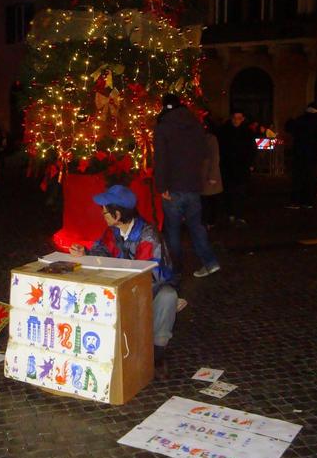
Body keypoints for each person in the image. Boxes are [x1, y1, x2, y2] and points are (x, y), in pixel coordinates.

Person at [69, 184, 178, 380]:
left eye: (105, 211)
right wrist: (84, 254)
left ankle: (158, 354)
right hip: (123, 286)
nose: (103, 213)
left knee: (168, 297)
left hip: (151, 288)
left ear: (117, 214)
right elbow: (102, 251)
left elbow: (147, 274)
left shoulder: (148, 235)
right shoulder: (113, 231)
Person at [154, 93, 220, 280]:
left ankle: (176, 269)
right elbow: (203, 153)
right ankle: (210, 262)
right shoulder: (195, 125)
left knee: (173, 230)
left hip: (173, 186)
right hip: (192, 184)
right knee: (196, 226)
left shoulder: (163, 127)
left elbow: (161, 159)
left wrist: (161, 185)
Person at [218, 108, 257, 225]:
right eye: (235, 118)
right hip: (227, 166)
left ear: (243, 119)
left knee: (241, 191)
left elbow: (252, 149)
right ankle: (230, 213)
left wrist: (251, 163)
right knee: (229, 191)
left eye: (239, 118)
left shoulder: (247, 132)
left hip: (242, 167)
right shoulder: (224, 130)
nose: (236, 121)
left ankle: (239, 214)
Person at [285, 101, 317, 209]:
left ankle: (296, 201)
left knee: (298, 178)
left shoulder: (300, 119)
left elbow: (289, 128)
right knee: (311, 177)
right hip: (314, 153)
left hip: (299, 153)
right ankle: (308, 201)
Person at [201, 116, 223, 228]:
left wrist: (213, 175)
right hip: (201, 174)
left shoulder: (211, 139)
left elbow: (215, 157)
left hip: (208, 173)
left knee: (209, 199)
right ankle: (207, 221)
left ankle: (210, 222)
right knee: (205, 199)